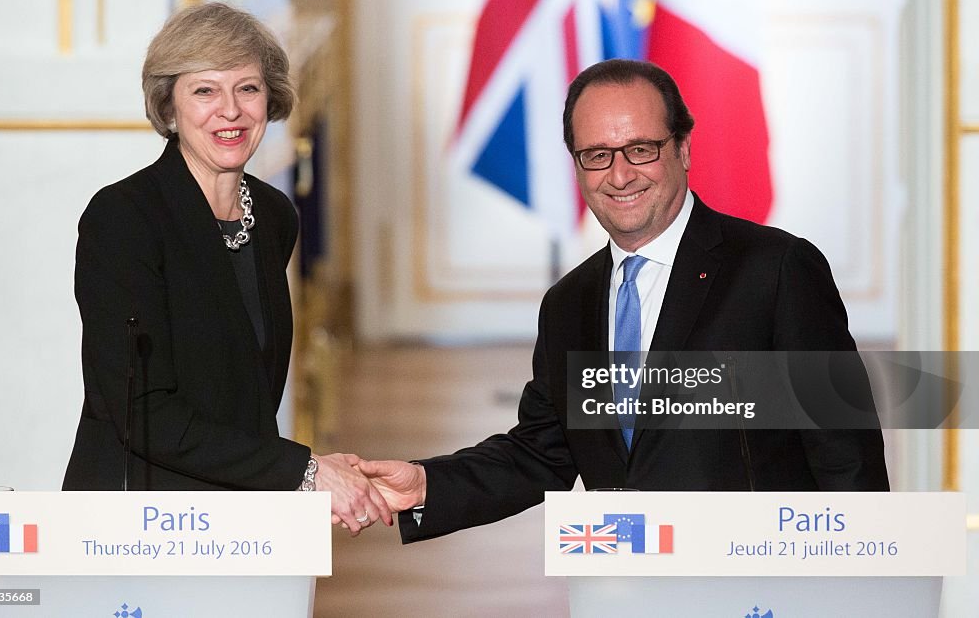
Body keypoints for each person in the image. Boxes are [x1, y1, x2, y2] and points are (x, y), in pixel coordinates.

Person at [356, 59, 889, 543]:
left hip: (755, 584)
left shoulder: (775, 270)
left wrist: (860, 585)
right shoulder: (569, 303)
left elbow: (846, 458)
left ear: (682, 148)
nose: (619, 175)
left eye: (640, 149)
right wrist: (428, 483)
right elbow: (542, 453)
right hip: (625, 581)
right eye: (596, 155)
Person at [62, 2, 388, 534]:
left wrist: (305, 475)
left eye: (248, 89)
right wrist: (305, 471)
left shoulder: (275, 216)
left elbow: (243, 393)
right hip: (136, 524)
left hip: (241, 518)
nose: (230, 111)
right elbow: (140, 412)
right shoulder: (123, 219)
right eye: (205, 90)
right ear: (170, 107)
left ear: (270, 99)